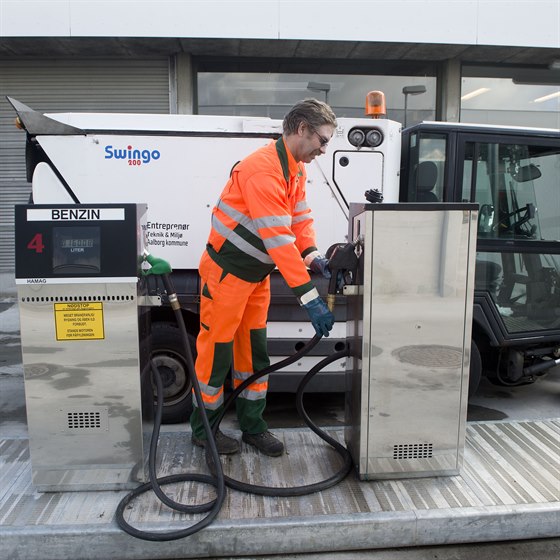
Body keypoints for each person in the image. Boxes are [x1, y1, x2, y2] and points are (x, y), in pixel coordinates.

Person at [190, 99, 337, 457]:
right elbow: (277, 238)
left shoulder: (295, 169)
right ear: (302, 129)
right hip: (227, 275)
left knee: (253, 354)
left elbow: (299, 219)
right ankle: (204, 432)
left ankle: (253, 427)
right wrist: (309, 298)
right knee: (216, 356)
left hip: (255, 277)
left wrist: (312, 255)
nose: (323, 149)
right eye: (323, 139)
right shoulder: (263, 170)